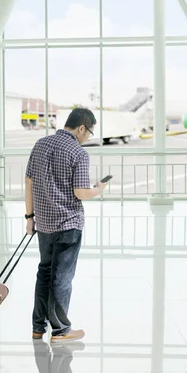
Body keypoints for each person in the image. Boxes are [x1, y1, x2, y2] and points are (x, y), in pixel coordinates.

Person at [25, 107, 108, 343]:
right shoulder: (78, 153)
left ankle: (37, 327)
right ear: (81, 128)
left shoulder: (41, 144)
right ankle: (61, 330)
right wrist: (98, 189)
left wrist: (29, 218)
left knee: (44, 273)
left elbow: (28, 181)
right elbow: (80, 192)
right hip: (68, 224)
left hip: (43, 223)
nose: (88, 137)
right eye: (89, 132)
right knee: (61, 278)